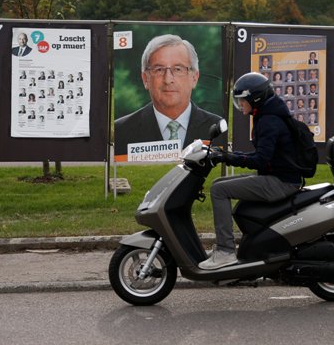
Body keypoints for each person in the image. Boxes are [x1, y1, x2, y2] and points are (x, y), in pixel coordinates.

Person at [198, 72, 301, 270]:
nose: (240, 104)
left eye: (242, 100)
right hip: (277, 177)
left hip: (282, 182)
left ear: (256, 99)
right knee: (219, 184)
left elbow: (261, 161)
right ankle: (227, 248)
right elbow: (263, 156)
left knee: (219, 190)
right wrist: (227, 154)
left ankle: (226, 251)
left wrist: (227, 157)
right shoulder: (268, 115)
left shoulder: (269, 121)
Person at [114, 34, 222, 155]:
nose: (168, 79)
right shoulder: (120, 131)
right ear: (145, 79)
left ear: (194, 78)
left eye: (178, 69)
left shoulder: (219, 129)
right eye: (159, 69)